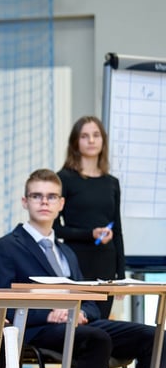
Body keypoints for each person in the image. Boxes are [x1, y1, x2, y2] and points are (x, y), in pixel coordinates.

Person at [0, 168, 166, 368]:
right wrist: (49, 313)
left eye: (51, 196)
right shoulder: (6, 246)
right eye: (37, 196)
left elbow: (90, 298)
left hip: (79, 325)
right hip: (36, 330)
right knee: (97, 339)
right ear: (24, 201)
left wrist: (82, 312)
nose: (44, 202)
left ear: (61, 204)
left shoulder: (66, 252)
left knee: (157, 338)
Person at [54, 116, 124, 320]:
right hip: (77, 260)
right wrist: (89, 234)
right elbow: (56, 228)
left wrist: (120, 275)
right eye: (85, 136)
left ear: (103, 141)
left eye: (96, 135)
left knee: (102, 322)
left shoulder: (112, 183)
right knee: (79, 322)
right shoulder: (64, 178)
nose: (91, 140)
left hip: (106, 264)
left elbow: (118, 229)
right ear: (76, 142)